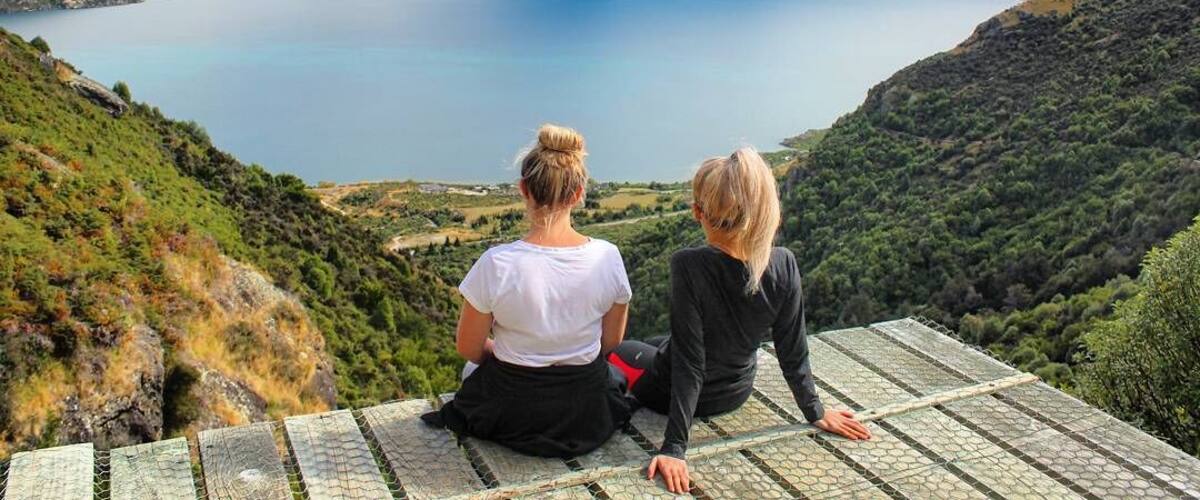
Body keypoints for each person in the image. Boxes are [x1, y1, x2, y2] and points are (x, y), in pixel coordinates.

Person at [608, 147, 872, 494]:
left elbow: (689, 364)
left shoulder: (689, 265)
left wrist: (674, 448)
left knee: (621, 349)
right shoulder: (783, 264)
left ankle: (623, 389)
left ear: (697, 213)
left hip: (666, 390)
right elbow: (792, 352)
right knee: (660, 341)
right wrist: (815, 411)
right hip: (735, 393)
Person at [422, 124, 633, 458]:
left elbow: (468, 347)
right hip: (585, 409)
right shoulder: (608, 256)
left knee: (469, 372)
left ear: (524, 189)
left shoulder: (496, 264)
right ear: (578, 195)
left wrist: (503, 350)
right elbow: (611, 342)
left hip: (513, 409)